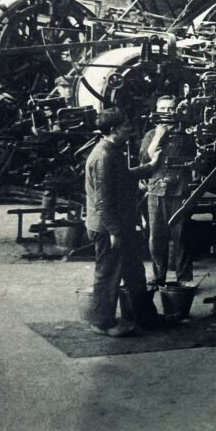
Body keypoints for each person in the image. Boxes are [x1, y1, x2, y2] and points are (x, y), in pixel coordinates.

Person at [85, 107, 166, 337]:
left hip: (121, 224)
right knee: (108, 274)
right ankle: (103, 323)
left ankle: (146, 317)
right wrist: (115, 232)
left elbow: (126, 177)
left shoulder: (112, 151)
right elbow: (103, 201)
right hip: (110, 227)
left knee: (134, 272)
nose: (129, 130)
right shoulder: (103, 156)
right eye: (125, 127)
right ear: (113, 130)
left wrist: (150, 167)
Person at [139, 95, 196, 287]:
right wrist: (157, 137)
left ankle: (185, 278)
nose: (167, 113)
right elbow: (145, 160)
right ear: (157, 111)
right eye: (163, 109)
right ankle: (158, 277)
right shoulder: (150, 136)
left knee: (183, 237)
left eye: (171, 109)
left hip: (180, 192)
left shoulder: (187, 136)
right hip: (156, 192)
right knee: (156, 239)